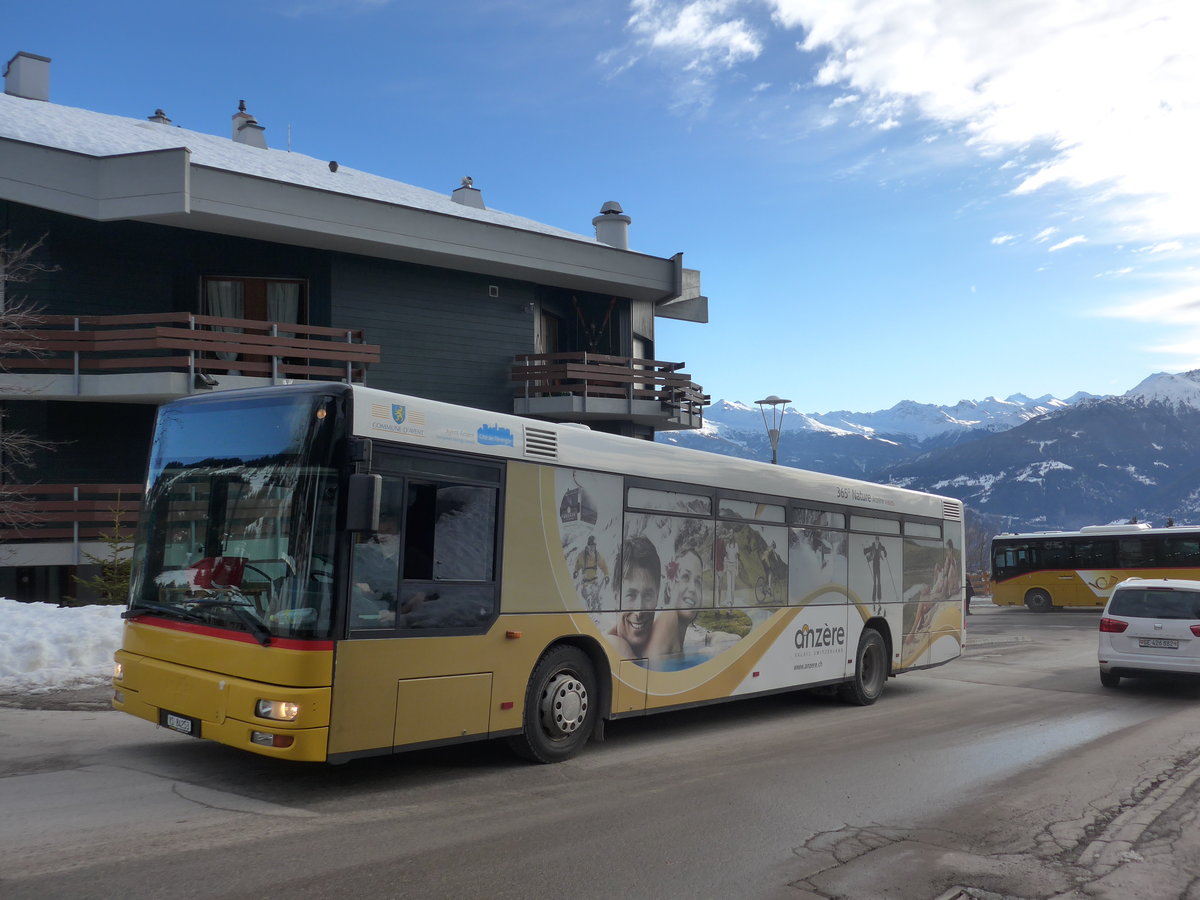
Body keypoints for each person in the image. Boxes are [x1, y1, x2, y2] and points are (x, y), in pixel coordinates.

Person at [608, 535, 660, 659]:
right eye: (630, 595)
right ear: (616, 597)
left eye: (647, 595)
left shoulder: (662, 638)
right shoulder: (610, 646)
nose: (639, 611)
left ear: (657, 596)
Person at [649, 545, 705, 657]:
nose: (693, 589)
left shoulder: (678, 636)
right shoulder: (668, 617)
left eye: (698, 582)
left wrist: (709, 637)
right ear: (669, 587)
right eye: (685, 577)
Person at [351, 511, 400, 627]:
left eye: (388, 530)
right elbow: (350, 577)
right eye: (380, 531)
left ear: (399, 533)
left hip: (398, 625)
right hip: (369, 614)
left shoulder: (415, 559)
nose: (383, 536)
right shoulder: (365, 554)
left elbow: (420, 597)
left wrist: (397, 615)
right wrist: (358, 584)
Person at [573, 535, 610, 612]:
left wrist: (606, 575)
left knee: (597, 600)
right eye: (591, 546)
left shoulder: (597, 556)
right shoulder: (581, 555)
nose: (592, 548)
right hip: (585, 583)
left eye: (594, 546)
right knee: (585, 600)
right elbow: (578, 565)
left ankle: (597, 614)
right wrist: (576, 571)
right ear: (587, 545)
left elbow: (603, 566)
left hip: (594, 582)